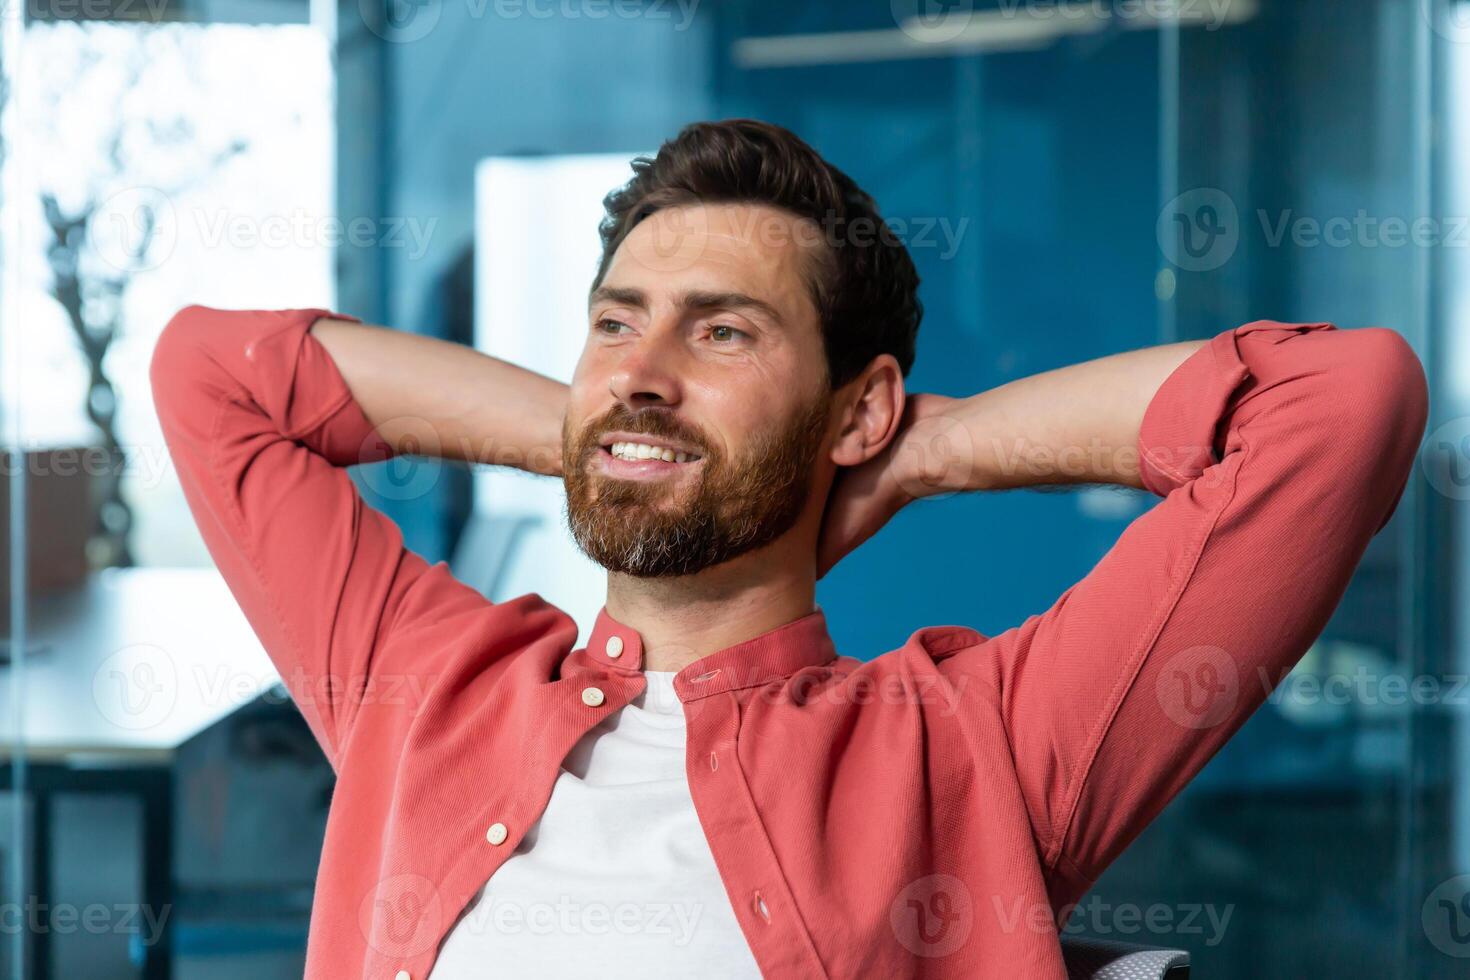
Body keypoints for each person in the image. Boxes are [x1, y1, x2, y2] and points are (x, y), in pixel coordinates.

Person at [149, 119, 1428, 979]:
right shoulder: (422, 685)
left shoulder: (970, 746)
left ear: (858, 408)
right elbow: (214, 376)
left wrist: (930, 449)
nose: (643, 368)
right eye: (616, 323)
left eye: (721, 335)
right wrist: (618, 428)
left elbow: (1342, 406)